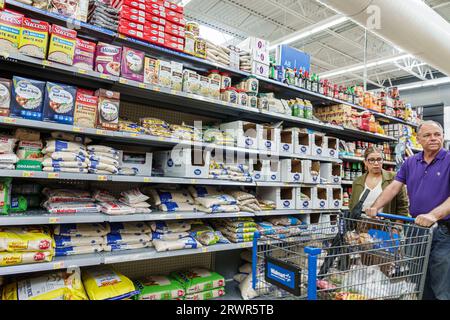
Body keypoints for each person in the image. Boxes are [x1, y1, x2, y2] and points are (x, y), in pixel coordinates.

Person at [366, 121, 450, 300]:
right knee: (418, 278)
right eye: (427, 135)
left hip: (444, 231)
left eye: (437, 134)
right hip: (416, 229)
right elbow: (394, 187)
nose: (433, 138)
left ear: (443, 136)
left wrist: (433, 215)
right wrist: (376, 206)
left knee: (442, 281)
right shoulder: (410, 162)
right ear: (418, 139)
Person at [349, 146, 409, 216]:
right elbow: (352, 206)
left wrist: (398, 225)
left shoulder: (394, 178)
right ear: (365, 162)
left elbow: (402, 205)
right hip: (362, 224)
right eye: (371, 160)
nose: (376, 163)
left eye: (379, 159)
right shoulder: (357, 182)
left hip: (385, 224)